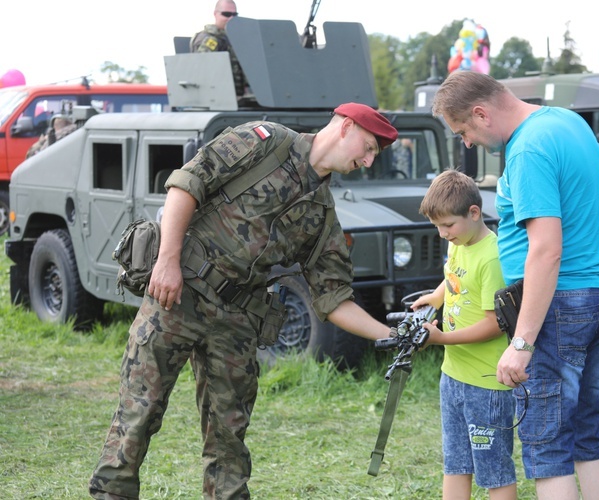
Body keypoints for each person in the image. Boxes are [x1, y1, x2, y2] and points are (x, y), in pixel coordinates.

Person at [89, 102, 399, 499]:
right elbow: (187, 183)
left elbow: (333, 297)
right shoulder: (264, 142)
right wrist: (166, 261)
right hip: (178, 294)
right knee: (139, 411)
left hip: (236, 321)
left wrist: (389, 333)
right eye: (369, 147)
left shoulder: (322, 215)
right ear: (346, 127)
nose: (369, 161)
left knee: (229, 435)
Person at [432, 71, 599, 500]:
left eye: (463, 130)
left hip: (559, 305)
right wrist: (588, 246)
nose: (466, 142)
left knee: (548, 447)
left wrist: (521, 343)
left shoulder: (526, 150)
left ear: (481, 113)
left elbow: (546, 251)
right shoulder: (568, 121)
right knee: (587, 437)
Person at [412, 169, 516, 500]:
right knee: (455, 464)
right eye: (438, 227)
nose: (443, 234)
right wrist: (438, 296)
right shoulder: (462, 242)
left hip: (486, 383)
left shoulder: (492, 256)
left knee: (494, 469)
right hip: (453, 375)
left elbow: (493, 324)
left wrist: (440, 339)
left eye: (448, 226)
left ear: (474, 213)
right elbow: (455, 276)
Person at [191, 0, 249, 97]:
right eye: (226, 14)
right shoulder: (210, 39)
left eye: (234, 15)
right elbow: (202, 70)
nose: (231, 18)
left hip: (238, 97)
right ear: (215, 14)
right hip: (216, 98)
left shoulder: (235, 39)